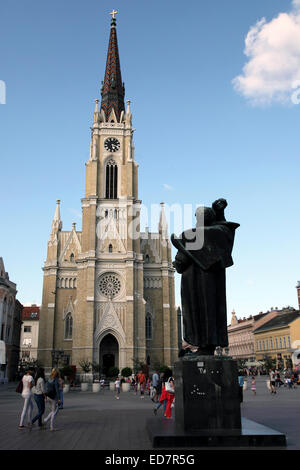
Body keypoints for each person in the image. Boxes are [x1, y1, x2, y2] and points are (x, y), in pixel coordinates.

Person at [172, 199, 239, 356]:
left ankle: (203, 347)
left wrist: (179, 260)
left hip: (195, 285)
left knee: (198, 314)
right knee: (211, 313)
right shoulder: (220, 234)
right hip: (213, 286)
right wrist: (220, 213)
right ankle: (209, 346)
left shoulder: (190, 235)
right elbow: (226, 230)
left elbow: (180, 264)